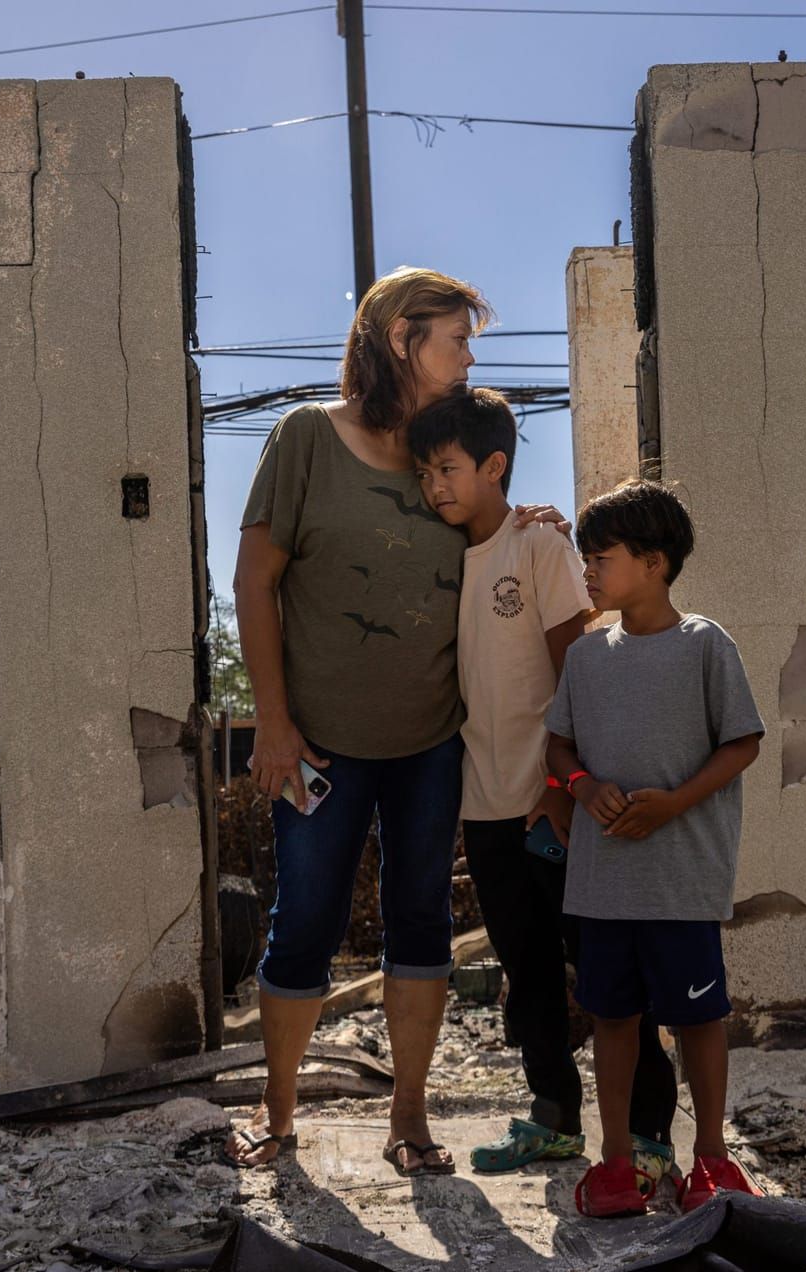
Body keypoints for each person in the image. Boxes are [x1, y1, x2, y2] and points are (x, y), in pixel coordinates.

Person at [223, 268, 559, 1176]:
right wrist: (274, 723)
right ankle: (279, 1111)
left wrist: (529, 521)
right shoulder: (305, 437)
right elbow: (255, 583)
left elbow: (495, 540)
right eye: (457, 337)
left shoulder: (448, 454)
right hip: (318, 743)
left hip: (430, 745)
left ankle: (408, 1118)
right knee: (304, 926)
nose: (469, 357)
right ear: (402, 337)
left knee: (420, 924)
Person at [407, 389, 683, 1192]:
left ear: (495, 467)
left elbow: (581, 673)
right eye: (425, 473)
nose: (435, 486)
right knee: (525, 974)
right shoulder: (445, 560)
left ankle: (647, 1131)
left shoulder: (539, 548)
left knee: (602, 971)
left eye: (448, 468)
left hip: (549, 800)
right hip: (485, 804)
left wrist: (564, 790)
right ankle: (554, 1117)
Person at [545, 479, 767, 1217]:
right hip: (603, 884)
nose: (588, 572)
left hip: (682, 880)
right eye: (586, 558)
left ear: (654, 562)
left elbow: (743, 742)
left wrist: (675, 802)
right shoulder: (585, 657)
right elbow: (558, 745)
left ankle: (711, 1157)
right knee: (613, 1019)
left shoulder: (705, 644)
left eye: (600, 557)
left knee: (699, 1018)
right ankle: (615, 1163)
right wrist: (580, 785)